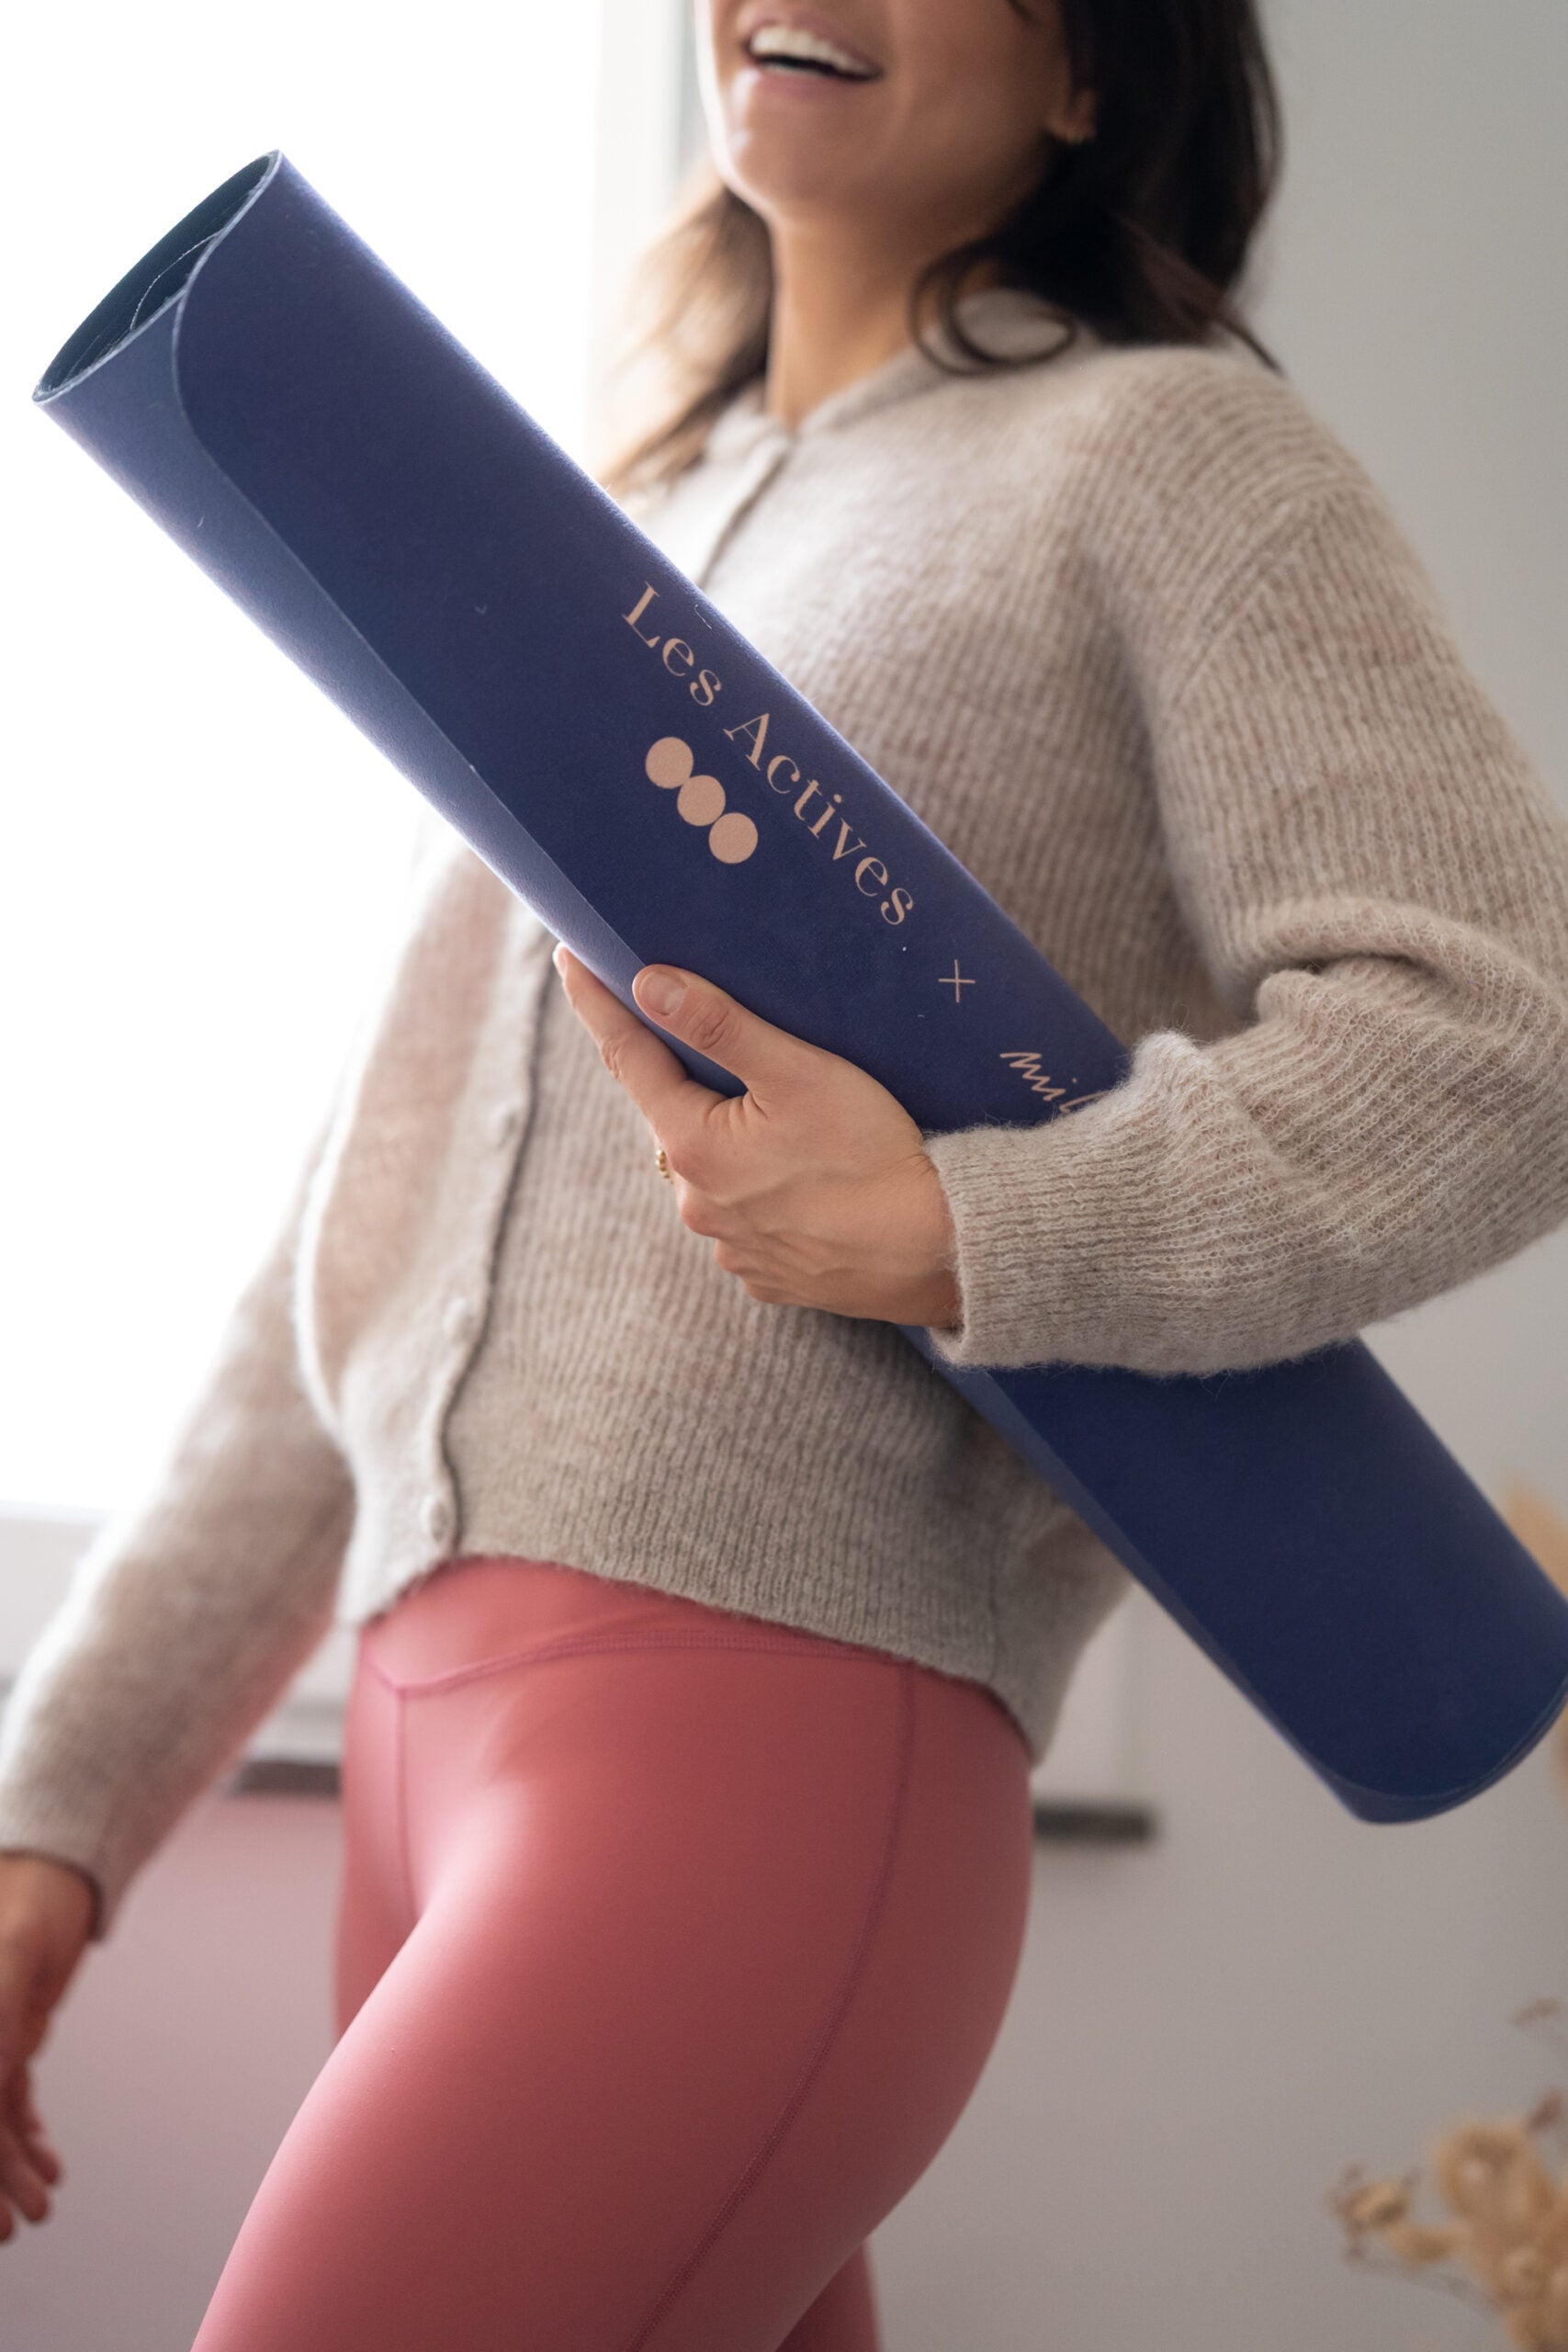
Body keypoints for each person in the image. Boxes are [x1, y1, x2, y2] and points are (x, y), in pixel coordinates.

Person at [3, 0, 1568, 2342]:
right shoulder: (600, 521)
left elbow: (1497, 1030)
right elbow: (349, 1263)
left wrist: (977, 1222)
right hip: (427, 1757)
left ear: (1084, 71)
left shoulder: (1161, 459)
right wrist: (56, 1820)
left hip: (757, 1748)